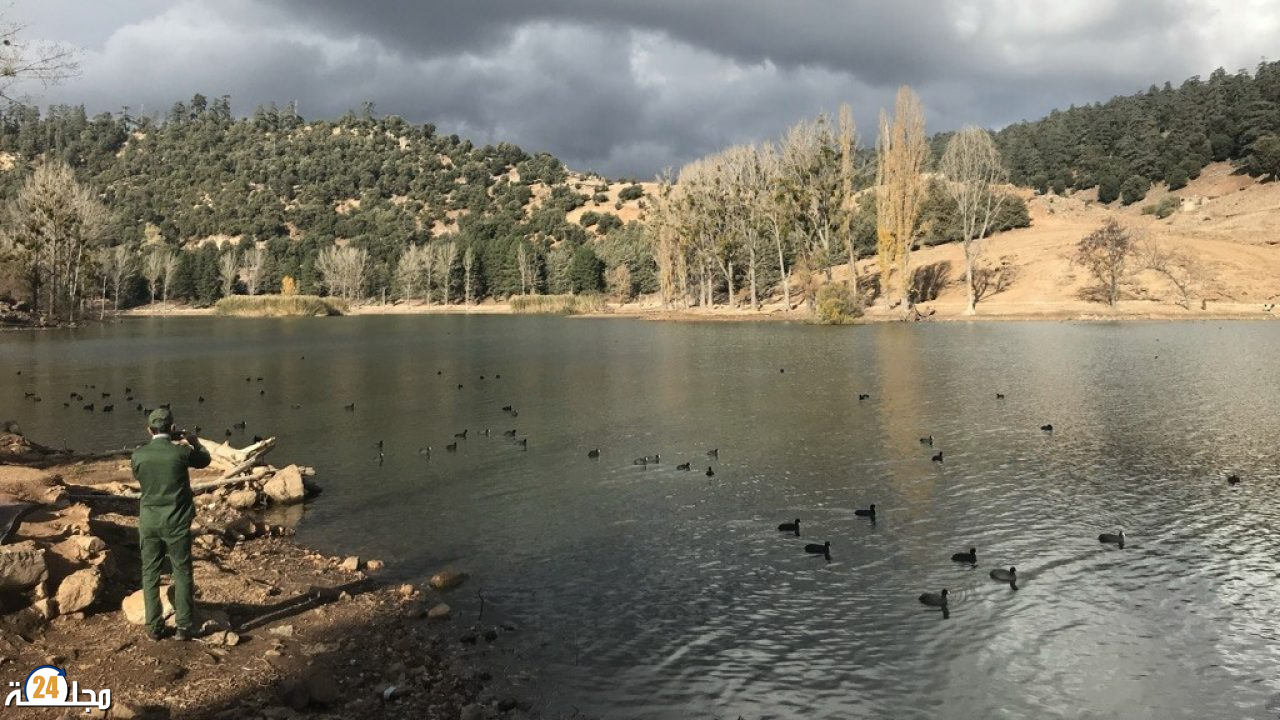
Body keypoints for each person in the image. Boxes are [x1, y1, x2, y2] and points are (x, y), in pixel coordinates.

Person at [131, 408, 210, 640]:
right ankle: (184, 626)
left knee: (150, 573)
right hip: (176, 521)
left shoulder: (139, 455)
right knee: (182, 571)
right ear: (173, 429)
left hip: (149, 521)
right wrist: (194, 441)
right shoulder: (181, 452)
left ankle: (154, 627)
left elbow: (139, 477)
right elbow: (204, 460)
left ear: (149, 430)